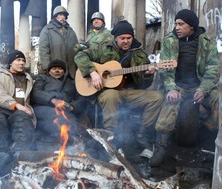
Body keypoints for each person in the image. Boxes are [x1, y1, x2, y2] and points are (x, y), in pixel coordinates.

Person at [74, 20, 164, 149]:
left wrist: (147, 75)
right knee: (112, 95)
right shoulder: (103, 48)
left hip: (130, 92)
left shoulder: (139, 54)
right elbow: (80, 56)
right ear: (116, 38)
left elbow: (143, 85)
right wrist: (93, 72)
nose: (126, 41)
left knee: (157, 97)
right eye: (122, 38)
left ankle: (143, 134)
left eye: (129, 38)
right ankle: (111, 137)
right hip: (106, 92)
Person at [150, 9, 220, 166]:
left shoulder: (207, 42)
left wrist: (203, 89)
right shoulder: (170, 40)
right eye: (176, 24)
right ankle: (161, 148)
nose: (177, 27)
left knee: (218, 101)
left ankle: (212, 143)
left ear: (192, 27)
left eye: (181, 24)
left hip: (200, 85)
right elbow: (165, 70)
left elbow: (213, 69)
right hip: (178, 86)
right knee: (170, 104)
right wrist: (171, 88)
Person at [0, 50, 36, 177]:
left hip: (19, 112)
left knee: (23, 119)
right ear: (10, 62)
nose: (22, 63)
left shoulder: (28, 78)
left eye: (23, 61)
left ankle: (19, 157)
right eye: (18, 60)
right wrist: (18, 105)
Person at [31, 59, 87, 146]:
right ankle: (73, 141)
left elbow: (82, 97)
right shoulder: (42, 78)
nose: (57, 70)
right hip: (43, 108)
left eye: (60, 69)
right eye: (54, 69)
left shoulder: (72, 82)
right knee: (60, 116)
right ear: (49, 70)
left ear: (64, 71)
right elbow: (35, 93)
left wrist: (73, 106)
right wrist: (53, 100)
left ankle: (75, 145)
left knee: (70, 119)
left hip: (66, 109)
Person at [39, 5, 78, 78]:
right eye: (60, 14)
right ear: (55, 16)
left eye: (64, 15)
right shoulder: (47, 30)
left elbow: (77, 49)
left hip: (71, 71)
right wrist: (48, 68)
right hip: (55, 71)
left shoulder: (70, 31)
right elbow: (43, 50)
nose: (62, 17)